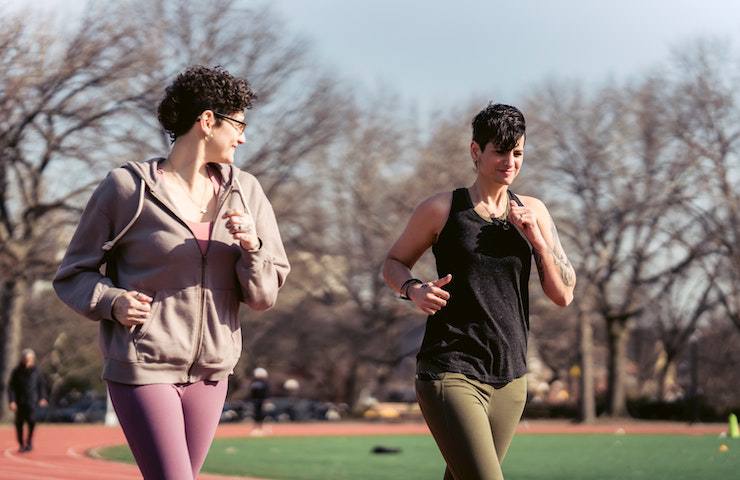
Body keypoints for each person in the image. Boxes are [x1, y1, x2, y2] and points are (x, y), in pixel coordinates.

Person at [53, 65, 290, 480]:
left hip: (213, 372)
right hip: (143, 364)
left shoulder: (247, 191)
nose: (244, 137)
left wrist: (252, 247)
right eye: (238, 124)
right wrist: (112, 301)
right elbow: (73, 274)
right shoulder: (128, 188)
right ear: (206, 121)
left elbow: (263, 296)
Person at [383, 103, 575, 480]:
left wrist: (537, 240)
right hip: (451, 370)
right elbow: (392, 262)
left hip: (512, 377)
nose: (510, 161)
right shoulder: (442, 209)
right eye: (500, 151)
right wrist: (413, 289)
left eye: (517, 152)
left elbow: (563, 294)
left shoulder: (534, 211)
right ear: (476, 151)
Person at [7, 348, 48, 453]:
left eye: (29, 359)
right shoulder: (16, 372)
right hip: (20, 401)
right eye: (25, 359)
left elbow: (41, 385)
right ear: (22, 359)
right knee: (19, 424)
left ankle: (29, 442)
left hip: (32, 401)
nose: (27, 361)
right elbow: (11, 387)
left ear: (32, 359)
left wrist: (42, 397)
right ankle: (21, 444)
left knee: (32, 421)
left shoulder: (37, 371)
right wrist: (12, 401)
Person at [248, 367, 270, 436]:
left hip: (261, 401)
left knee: (262, 415)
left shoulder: (264, 383)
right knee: (256, 414)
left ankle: (261, 427)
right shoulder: (254, 383)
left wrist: (266, 400)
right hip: (256, 401)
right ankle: (256, 427)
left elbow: (266, 393)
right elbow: (252, 393)